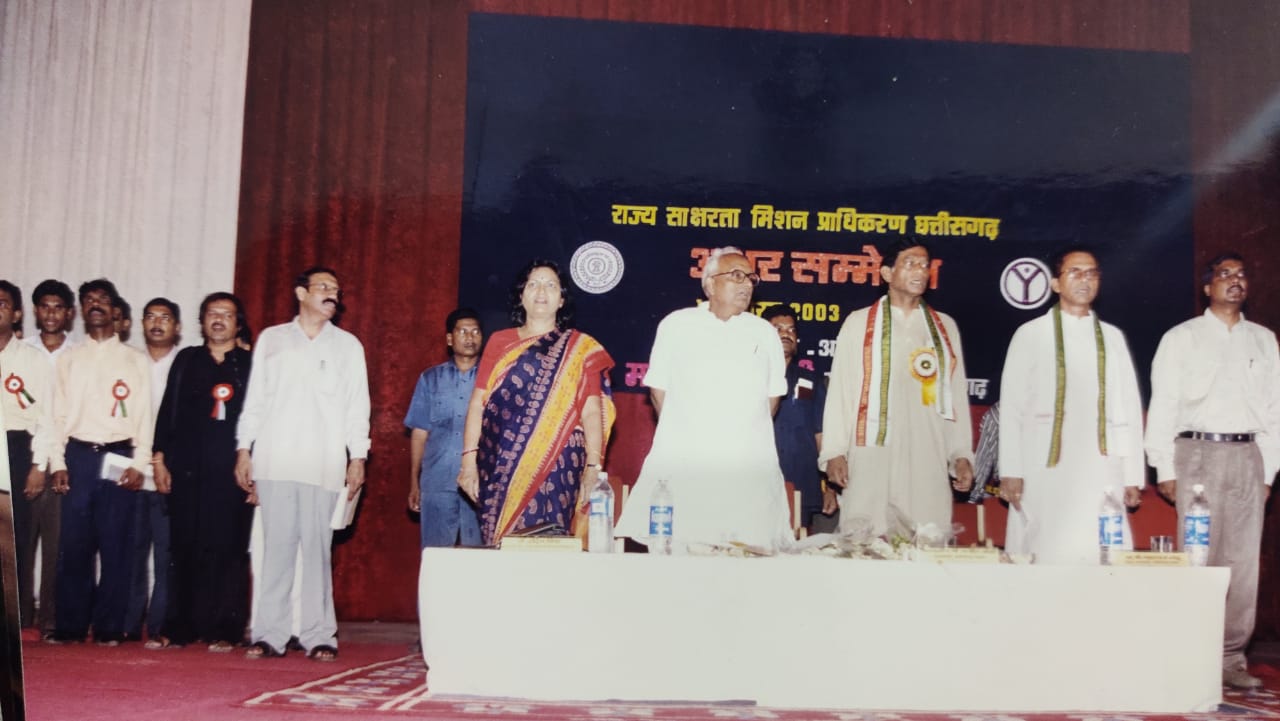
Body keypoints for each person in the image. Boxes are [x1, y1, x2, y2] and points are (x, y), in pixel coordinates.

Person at [1144, 252, 1280, 689]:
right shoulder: (1181, 338)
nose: (1235, 281)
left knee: (1242, 563)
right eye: (1225, 275)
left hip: (1247, 456)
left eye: (1241, 275)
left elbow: (1276, 412)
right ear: (1207, 287)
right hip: (1197, 454)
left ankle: (1230, 658)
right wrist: (1164, 466)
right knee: (1198, 556)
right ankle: (1190, 651)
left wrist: (1267, 473)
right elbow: (1163, 404)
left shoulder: (1264, 341)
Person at [615, 247, 793, 551]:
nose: (747, 284)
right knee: (681, 557)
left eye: (750, 277)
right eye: (736, 275)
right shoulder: (676, 325)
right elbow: (659, 393)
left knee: (747, 562)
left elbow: (771, 400)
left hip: (746, 467)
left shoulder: (764, 333)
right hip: (688, 463)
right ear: (710, 284)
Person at [235, 267, 369, 661]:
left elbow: (357, 407)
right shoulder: (273, 340)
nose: (332, 294)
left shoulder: (348, 346)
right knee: (274, 551)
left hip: (324, 464)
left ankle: (318, 635)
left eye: (336, 289)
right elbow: (255, 400)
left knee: (316, 552)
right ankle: (269, 634)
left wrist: (357, 456)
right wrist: (244, 449)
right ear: (301, 293)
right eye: (324, 287)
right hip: (274, 461)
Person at [998, 246, 1144, 564]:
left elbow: (1129, 409)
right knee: (1045, 545)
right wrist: (1011, 470)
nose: (1084, 280)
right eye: (1075, 272)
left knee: (1100, 548)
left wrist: (1133, 474)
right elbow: (1011, 408)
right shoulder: (1030, 334)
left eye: (1091, 273)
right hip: (1044, 465)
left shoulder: (1113, 337)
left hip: (1101, 466)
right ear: (1055, 284)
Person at [821, 238, 974, 539]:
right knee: (865, 541)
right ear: (887, 274)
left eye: (924, 265)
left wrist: (960, 454)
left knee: (926, 540)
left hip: (927, 453)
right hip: (871, 455)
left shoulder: (944, 328)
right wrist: (835, 451)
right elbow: (841, 391)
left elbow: (955, 398)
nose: (920, 270)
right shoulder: (858, 323)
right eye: (910, 263)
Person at [456, 260, 615, 546]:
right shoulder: (498, 342)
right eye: (533, 284)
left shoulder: (581, 348)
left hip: (559, 462)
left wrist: (593, 466)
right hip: (500, 461)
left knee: (550, 542)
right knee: (502, 546)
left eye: (551, 285)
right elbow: (478, 402)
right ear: (522, 295)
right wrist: (468, 462)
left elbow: (592, 410)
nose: (541, 291)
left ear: (562, 299)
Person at [48, 279, 152, 645]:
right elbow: (56, 414)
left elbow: (144, 417)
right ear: (81, 311)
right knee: (74, 546)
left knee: (116, 544)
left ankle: (110, 626)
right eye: (88, 299)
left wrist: (140, 463)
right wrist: (57, 461)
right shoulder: (68, 359)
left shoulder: (135, 360)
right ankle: (71, 626)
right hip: (78, 456)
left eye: (102, 300)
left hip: (119, 456)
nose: (95, 305)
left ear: (115, 310)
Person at [154, 293, 255, 652]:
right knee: (183, 546)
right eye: (212, 313)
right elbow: (168, 410)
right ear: (201, 321)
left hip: (231, 471)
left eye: (227, 314)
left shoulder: (250, 363)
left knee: (228, 548)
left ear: (237, 323)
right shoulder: (186, 360)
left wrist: (255, 465)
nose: (218, 320)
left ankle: (225, 629)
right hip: (186, 470)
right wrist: (159, 458)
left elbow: (260, 419)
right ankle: (179, 626)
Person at [0, 281, 55, 636]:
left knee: (13, 536)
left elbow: (46, 416)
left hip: (16, 447)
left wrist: (39, 465)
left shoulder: (33, 359)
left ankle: (13, 615)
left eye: (2, 303)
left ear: (17, 314)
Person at [19, 279, 72, 639]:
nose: (50, 313)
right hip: (28, 454)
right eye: (44, 306)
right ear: (35, 311)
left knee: (57, 545)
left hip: (67, 461)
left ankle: (51, 621)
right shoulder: (20, 352)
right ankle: (20, 619)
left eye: (58, 307)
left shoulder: (80, 354)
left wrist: (58, 463)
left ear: (69, 314)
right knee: (20, 542)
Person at [405, 308, 484, 548]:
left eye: (475, 331)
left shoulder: (493, 380)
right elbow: (419, 433)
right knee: (435, 557)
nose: (470, 337)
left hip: (480, 485)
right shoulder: (430, 379)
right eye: (463, 331)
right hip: (437, 482)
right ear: (450, 339)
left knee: (480, 559)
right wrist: (414, 481)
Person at [127, 298, 181, 647]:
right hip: (130, 467)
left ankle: (161, 626)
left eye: (165, 318)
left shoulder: (188, 363)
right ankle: (128, 624)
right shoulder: (128, 361)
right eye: (150, 317)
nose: (157, 323)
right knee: (130, 550)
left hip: (168, 469)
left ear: (177, 327)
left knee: (166, 553)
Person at [761, 304, 834, 532]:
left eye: (791, 330)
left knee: (795, 552)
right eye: (778, 328)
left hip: (800, 478)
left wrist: (830, 486)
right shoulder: (749, 376)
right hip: (757, 478)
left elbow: (821, 434)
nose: (785, 334)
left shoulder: (811, 380)